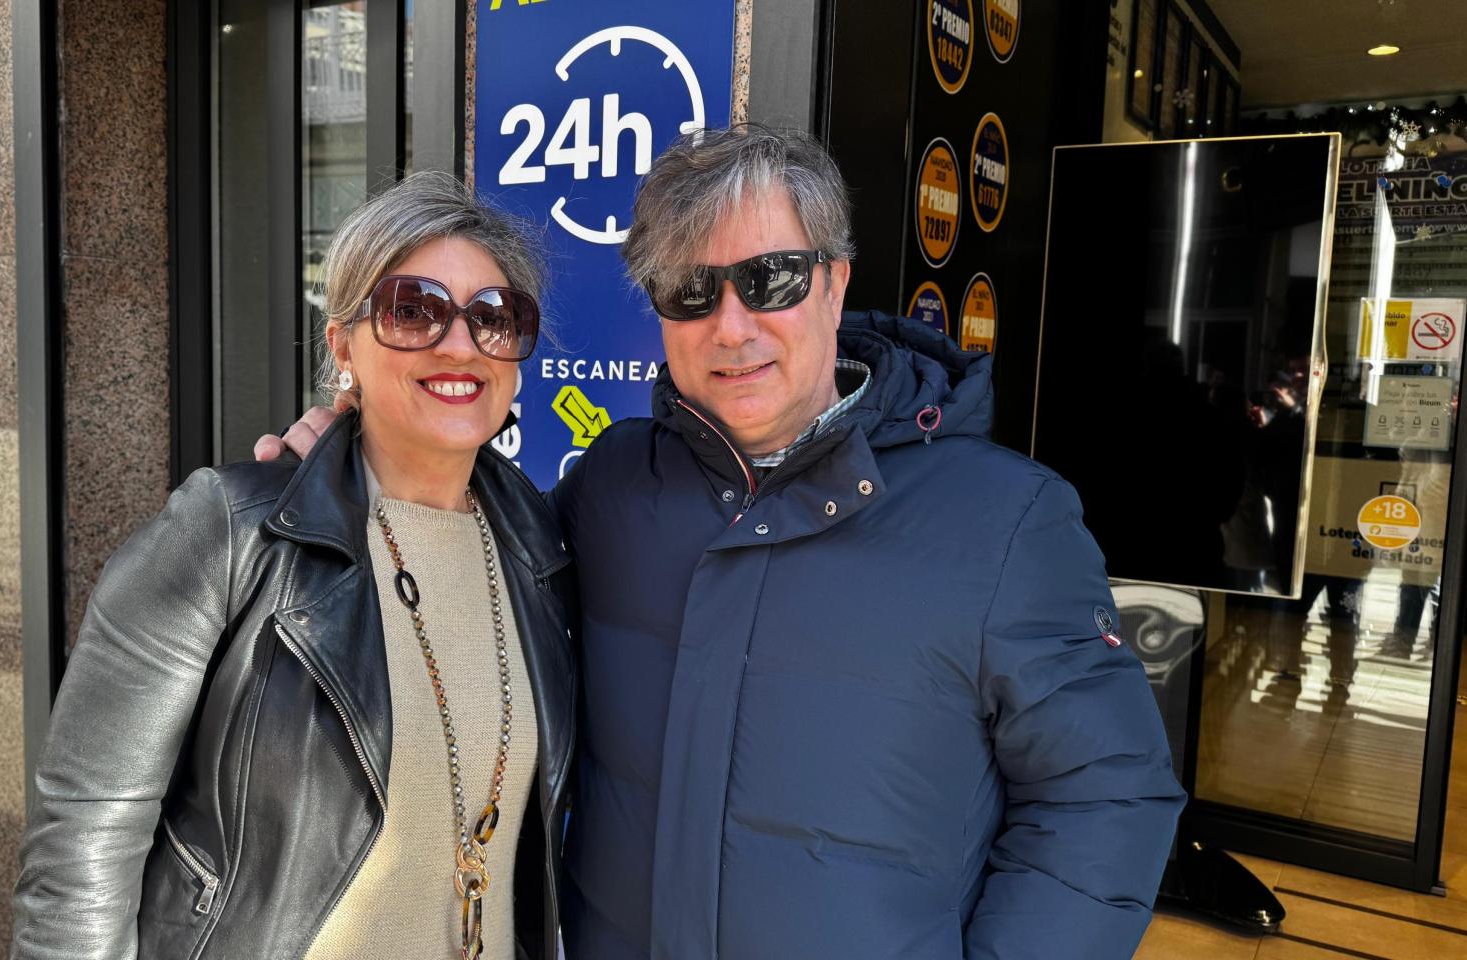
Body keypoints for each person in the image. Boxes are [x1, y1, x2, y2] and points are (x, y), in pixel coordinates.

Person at [260, 127, 1185, 958]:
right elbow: (461, 552)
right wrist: (352, 463)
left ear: (836, 280)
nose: (732, 326)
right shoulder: (613, 487)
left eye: (772, 278)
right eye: (692, 292)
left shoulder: (1006, 521)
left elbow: (1106, 797)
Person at [13, 172, 577, 960]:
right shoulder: (231, 533)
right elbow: (83, 841)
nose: (459, 344)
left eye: (494, 316)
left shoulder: (540, 550)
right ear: (343, 343)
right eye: (413, 311)